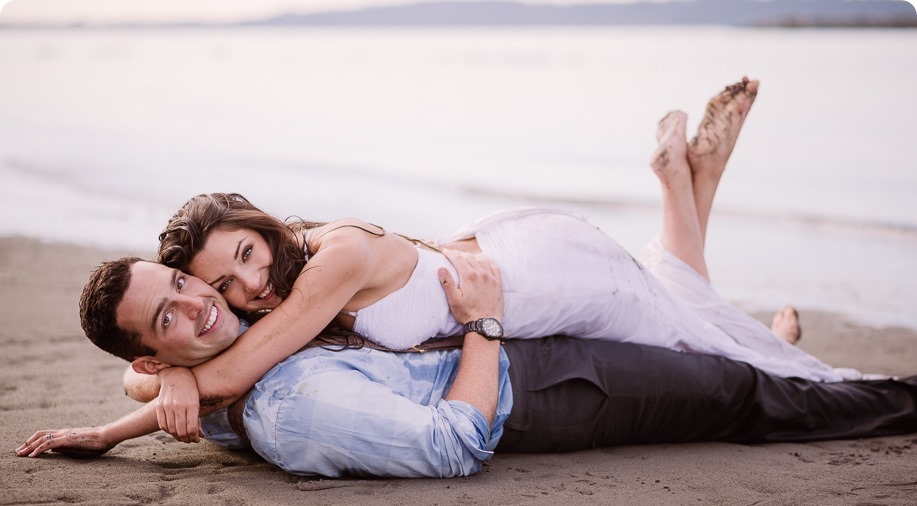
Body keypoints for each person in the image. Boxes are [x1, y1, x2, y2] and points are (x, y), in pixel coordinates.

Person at [145, 78, 863, 441]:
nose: (249, 282)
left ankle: (688, 188)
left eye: (245, 252)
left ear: (260, 226)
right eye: (224, 285)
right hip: (516, 252)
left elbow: (236, 369)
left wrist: (175, 378)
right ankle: (692, 182)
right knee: (684, 309)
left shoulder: (331, 261)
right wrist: (150, 382)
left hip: (548, 278)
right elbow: (212, 362)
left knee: (701, 342)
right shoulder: (310, 264)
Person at [16, 251, 917, 478]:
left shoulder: (222, 374)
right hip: (549, 392)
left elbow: (195, 390)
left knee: (700, 348)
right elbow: (455, 444)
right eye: (170, 316)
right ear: (153, 345)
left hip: (524, 359)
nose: (199, 300)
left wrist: (115, 423)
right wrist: (482, 323)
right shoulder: (293, 402)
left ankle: (781, 345)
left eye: (182, 280)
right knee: (738, 396)